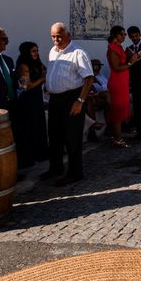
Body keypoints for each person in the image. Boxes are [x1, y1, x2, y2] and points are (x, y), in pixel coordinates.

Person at [42, 22, 94, 185]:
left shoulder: (78, 52)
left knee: (72, 137)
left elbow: (89, 78)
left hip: (72, 98)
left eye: (59, 36)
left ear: (68, 35)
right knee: (54, 135)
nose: (56, 40)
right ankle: (55, 167)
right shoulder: (52, 51)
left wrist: (80, 101)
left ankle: (75, 172)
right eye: (53, 36)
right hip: (55, 99)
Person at [14, 41, 48, 169]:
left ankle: (40, 153)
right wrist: (41, 79)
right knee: (29, 128)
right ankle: (29, 157)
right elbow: (25, 87)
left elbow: (44, 72)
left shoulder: (37, 64)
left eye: (37, 51)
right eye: (33, 51)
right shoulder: (23, 66)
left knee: (39, 126)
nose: (36, 53)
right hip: (27, 101)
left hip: (37, 98)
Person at [106, 26, 141, 148]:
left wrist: (132, 57)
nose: (124, 36)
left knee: (120, 110)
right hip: (117, 82)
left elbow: (123, 63)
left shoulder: (119, 47)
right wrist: (131, 62)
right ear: (115, 36)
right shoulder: (112, 48)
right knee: (117, 111)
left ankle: (116, 136)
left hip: (122, 81)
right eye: (122, 34)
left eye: (124, 34)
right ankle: (117, 138)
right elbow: (116, 67)